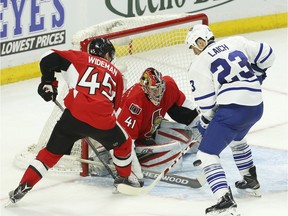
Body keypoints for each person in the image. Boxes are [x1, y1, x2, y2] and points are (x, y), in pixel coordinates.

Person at [8, 38, 142, 205]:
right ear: (107, 54)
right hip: (101, 120)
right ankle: (124, 179)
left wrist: (48, 82)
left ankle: (24, 185)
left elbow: (46, 58)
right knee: (123, 143)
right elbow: (114, 108)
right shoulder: (116, 74)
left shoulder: (78, 58)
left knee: (49, 154)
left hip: (73, 117)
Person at [185, 24, 275, 215]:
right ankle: (250, 181)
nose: (194, 52)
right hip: (256, 106)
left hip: (234, 109)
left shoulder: (199, 63)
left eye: (193, 47)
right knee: (237, 139)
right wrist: (257, 75)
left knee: (207, 154)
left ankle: (225, 202)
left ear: (200, 42)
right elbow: (268, 55)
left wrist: (205, 124)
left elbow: (207, 106)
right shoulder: (236, 41)